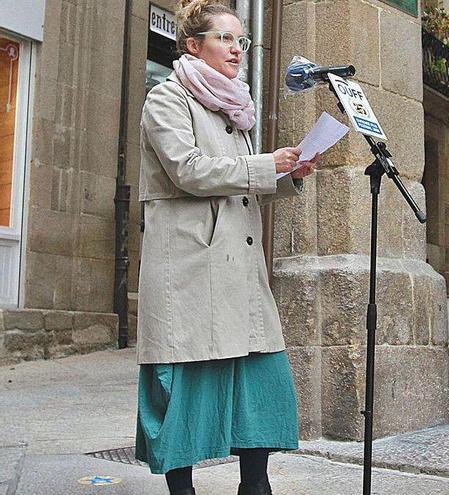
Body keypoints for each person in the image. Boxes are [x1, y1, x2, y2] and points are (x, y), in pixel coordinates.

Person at [135, 1, 320, 494]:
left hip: (238, 267)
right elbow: (190, 170)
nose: (238, 49)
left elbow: (239, 183)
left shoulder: (232, 106)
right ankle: (183, 490)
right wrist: (266, 165)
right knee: (187, 387)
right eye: (225, 38)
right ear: (193, 45)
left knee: (259, 382)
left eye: (241, 40)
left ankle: (256, 487)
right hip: (192, 267)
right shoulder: (167, 98)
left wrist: (285, 175)